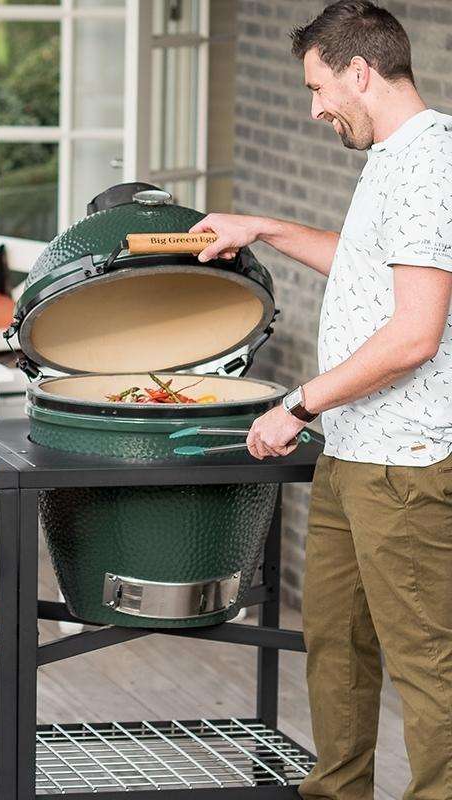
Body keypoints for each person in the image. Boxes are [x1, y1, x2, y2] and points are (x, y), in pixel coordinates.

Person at [190, 3, 452, 799]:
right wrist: (262, 228)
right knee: (336, 645)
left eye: (317, 87)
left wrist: (297, 405)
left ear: (359, 72)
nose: (314, 109)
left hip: (406, 464)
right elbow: (369, 265)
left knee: (426, 664)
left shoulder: (431, 165)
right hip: (354, 451)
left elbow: (414, 335)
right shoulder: (393, 157)